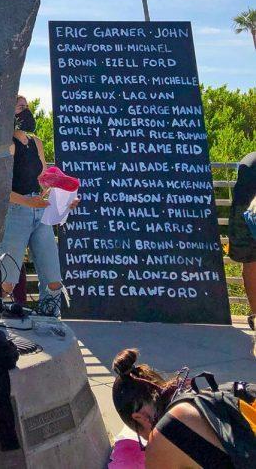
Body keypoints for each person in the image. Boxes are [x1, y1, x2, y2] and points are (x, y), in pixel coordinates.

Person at [111, 348, 235, 468]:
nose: (147, 441)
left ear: (140, 418)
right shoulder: (197, 397)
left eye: (142, 435)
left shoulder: (163, 440)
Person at [0, 95, 66, 317]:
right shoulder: (7, 144)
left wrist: (63, 200)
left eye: (27, 107)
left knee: (53, 276)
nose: (26, 111)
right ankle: (3, 318)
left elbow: (45, 177)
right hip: (17, 210)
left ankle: (51, 317)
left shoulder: (36, 141)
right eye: (20, 107)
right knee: (8, 277)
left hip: (40, 210)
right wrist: (28, 201)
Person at [228, 151, 256, 331]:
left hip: (243, 204)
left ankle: (255, 314)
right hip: (247, 205)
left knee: (250, 262)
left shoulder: (248, 161)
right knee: (251, 262)